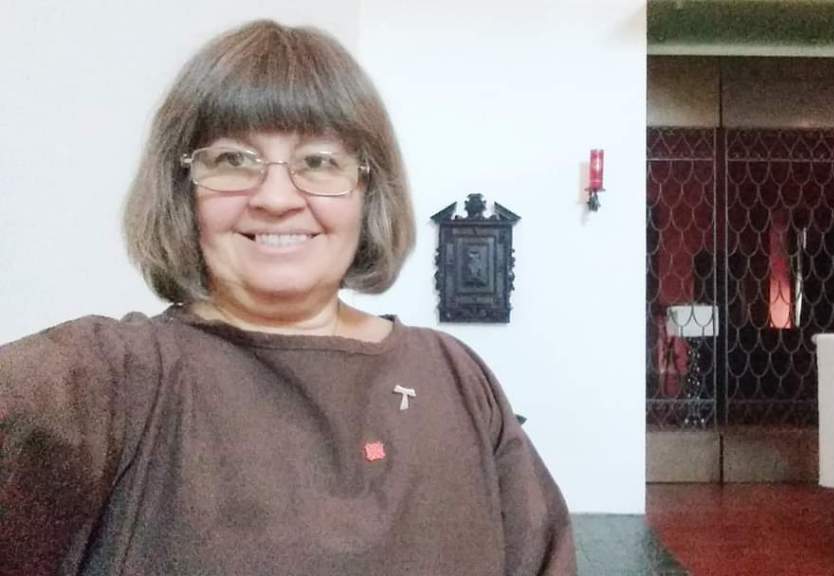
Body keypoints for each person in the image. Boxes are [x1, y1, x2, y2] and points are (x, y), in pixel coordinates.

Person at [0, 20, 575, 575]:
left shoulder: (456, 377)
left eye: (319, 162)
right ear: (183, 190)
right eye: (232, 160)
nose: (276, 198)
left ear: (368, 189)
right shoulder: (112, 378)